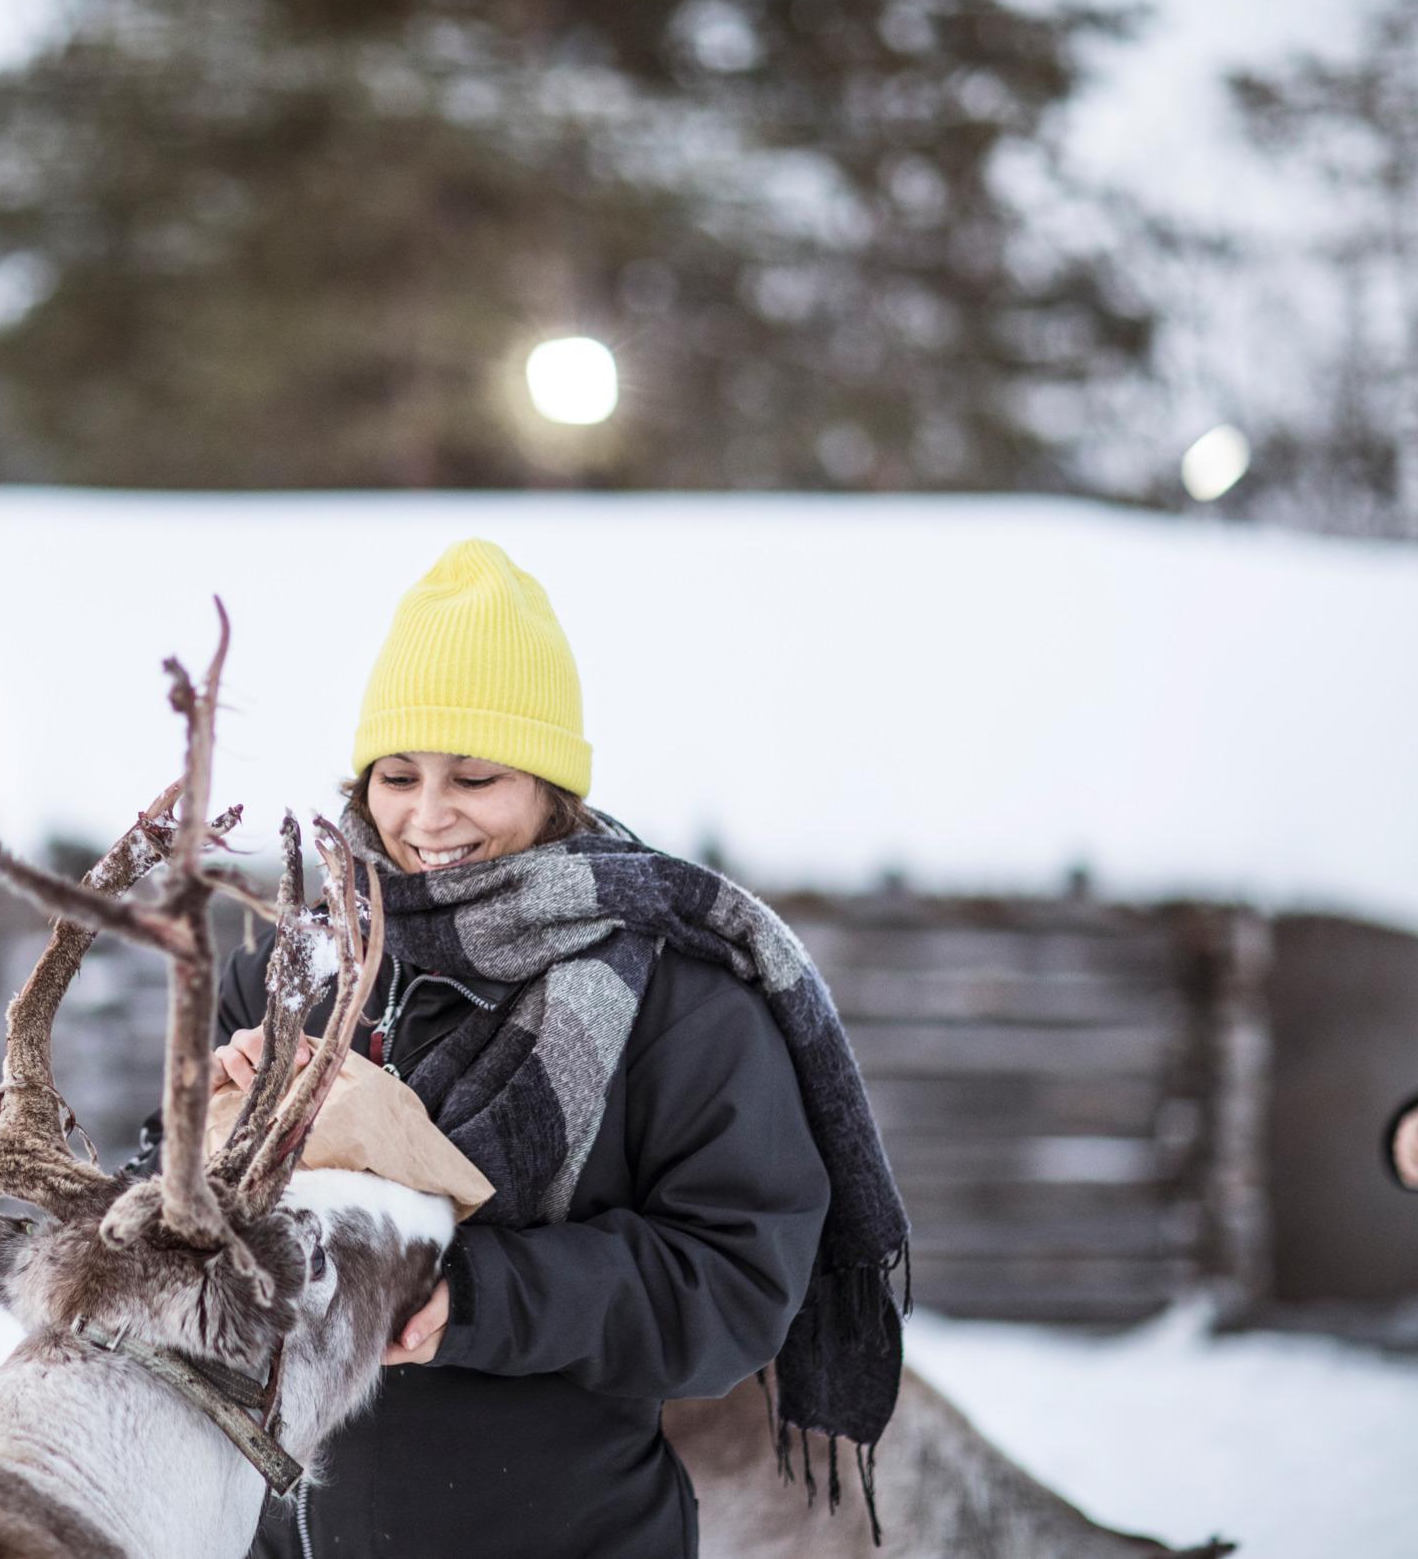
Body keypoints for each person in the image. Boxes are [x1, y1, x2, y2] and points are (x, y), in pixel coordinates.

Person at [162, 540, 908, 1559]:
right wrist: (208, 1139)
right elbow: (180, 1235)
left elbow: (734, 1284)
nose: (426, 817)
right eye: (396, 775)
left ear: (550, 787)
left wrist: (469, 1293)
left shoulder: (673, 998)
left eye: (473, 776)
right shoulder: (296, 971)